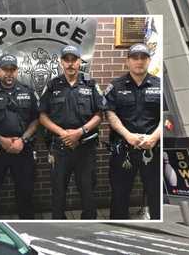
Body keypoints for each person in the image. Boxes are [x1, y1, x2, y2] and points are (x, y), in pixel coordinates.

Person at [39, 45, 104, 219]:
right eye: (66, 60)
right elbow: (42, 116)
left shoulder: (90, 84)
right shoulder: (52, 85)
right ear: (61, 62)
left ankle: (90, 226)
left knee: (88, 191)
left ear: (79, 62)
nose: (70, 64)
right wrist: (63, 133)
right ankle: (58, 226)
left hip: (85, 148)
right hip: (60, 149)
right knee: (58, 191)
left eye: (73, 60)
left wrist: (80, 132)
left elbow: (99, 114)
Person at [0, 53, 39, 219]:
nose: (9, 73)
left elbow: (36, 120)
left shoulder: (28, 92)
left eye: (12, 70)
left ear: (17, 71)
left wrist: (22, 140)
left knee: (26, 193)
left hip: (22, 150)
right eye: (5, 70)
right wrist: (0, 140)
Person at [105, 43, 161, 219]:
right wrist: (127, 135)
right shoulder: (116, 86)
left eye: (143, 58)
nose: (139, 61)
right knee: (119, 195)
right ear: (127, 61)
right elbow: (110, 113)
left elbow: (167, 116)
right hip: (124, 150)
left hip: (152, 150)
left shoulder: (161, 85)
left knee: (155, 195)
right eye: (135, 58)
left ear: (149, 60)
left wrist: (154, 137)